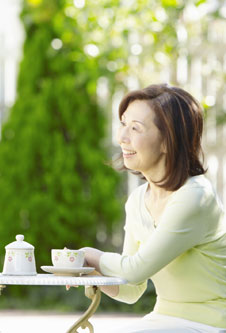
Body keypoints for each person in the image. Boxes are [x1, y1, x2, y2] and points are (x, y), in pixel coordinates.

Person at [81, 84, 226, 332]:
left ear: (168, 141)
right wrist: (85, 271)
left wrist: (89, 255)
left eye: (135, 128)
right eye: (123, 124)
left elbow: (136, 270)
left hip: (210, 324)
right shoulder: (138, 200)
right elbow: (130, 288)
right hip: (162, 320)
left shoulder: (195, 197)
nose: (122, 137)